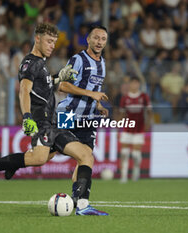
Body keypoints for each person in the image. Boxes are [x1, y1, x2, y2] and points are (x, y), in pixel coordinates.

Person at [0, 23, 108, 216]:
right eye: (48, 41)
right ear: (37, 39)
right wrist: (27, 116)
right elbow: (24, 90)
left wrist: (57, 77)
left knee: (85, 155)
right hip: (41, 123)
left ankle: (82, 205)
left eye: (54, 42)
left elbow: (45, 86)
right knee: (38, 159)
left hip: (52, 124)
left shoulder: (42, 65)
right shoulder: (30, 62)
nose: (52, 46)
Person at [56, 25, 109, 206]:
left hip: (88, 118)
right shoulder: (78, 59)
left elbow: (95, 90)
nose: (99, 42)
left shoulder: (102, 63)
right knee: (43, 156)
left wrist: (98, 103)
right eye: (96, 38)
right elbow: (63, 85)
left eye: (103, 39)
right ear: (88, 39)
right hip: (68, 114)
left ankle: (78, 200)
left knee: (85, 158)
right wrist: (90, 94)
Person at [119, 76, 152, 182]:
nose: (134, 85)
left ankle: (135, 173)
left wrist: (148, 123)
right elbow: (121, 114)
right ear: (130, 85)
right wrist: (119, 127)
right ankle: (123, 176)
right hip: (127, 128)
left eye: (136, 83)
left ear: (139, 85)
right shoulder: (125, 98)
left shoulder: (144, 96)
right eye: (132, 83)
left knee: (136, 154)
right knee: (124, 153)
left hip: (139, 128)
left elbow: (149, 111)